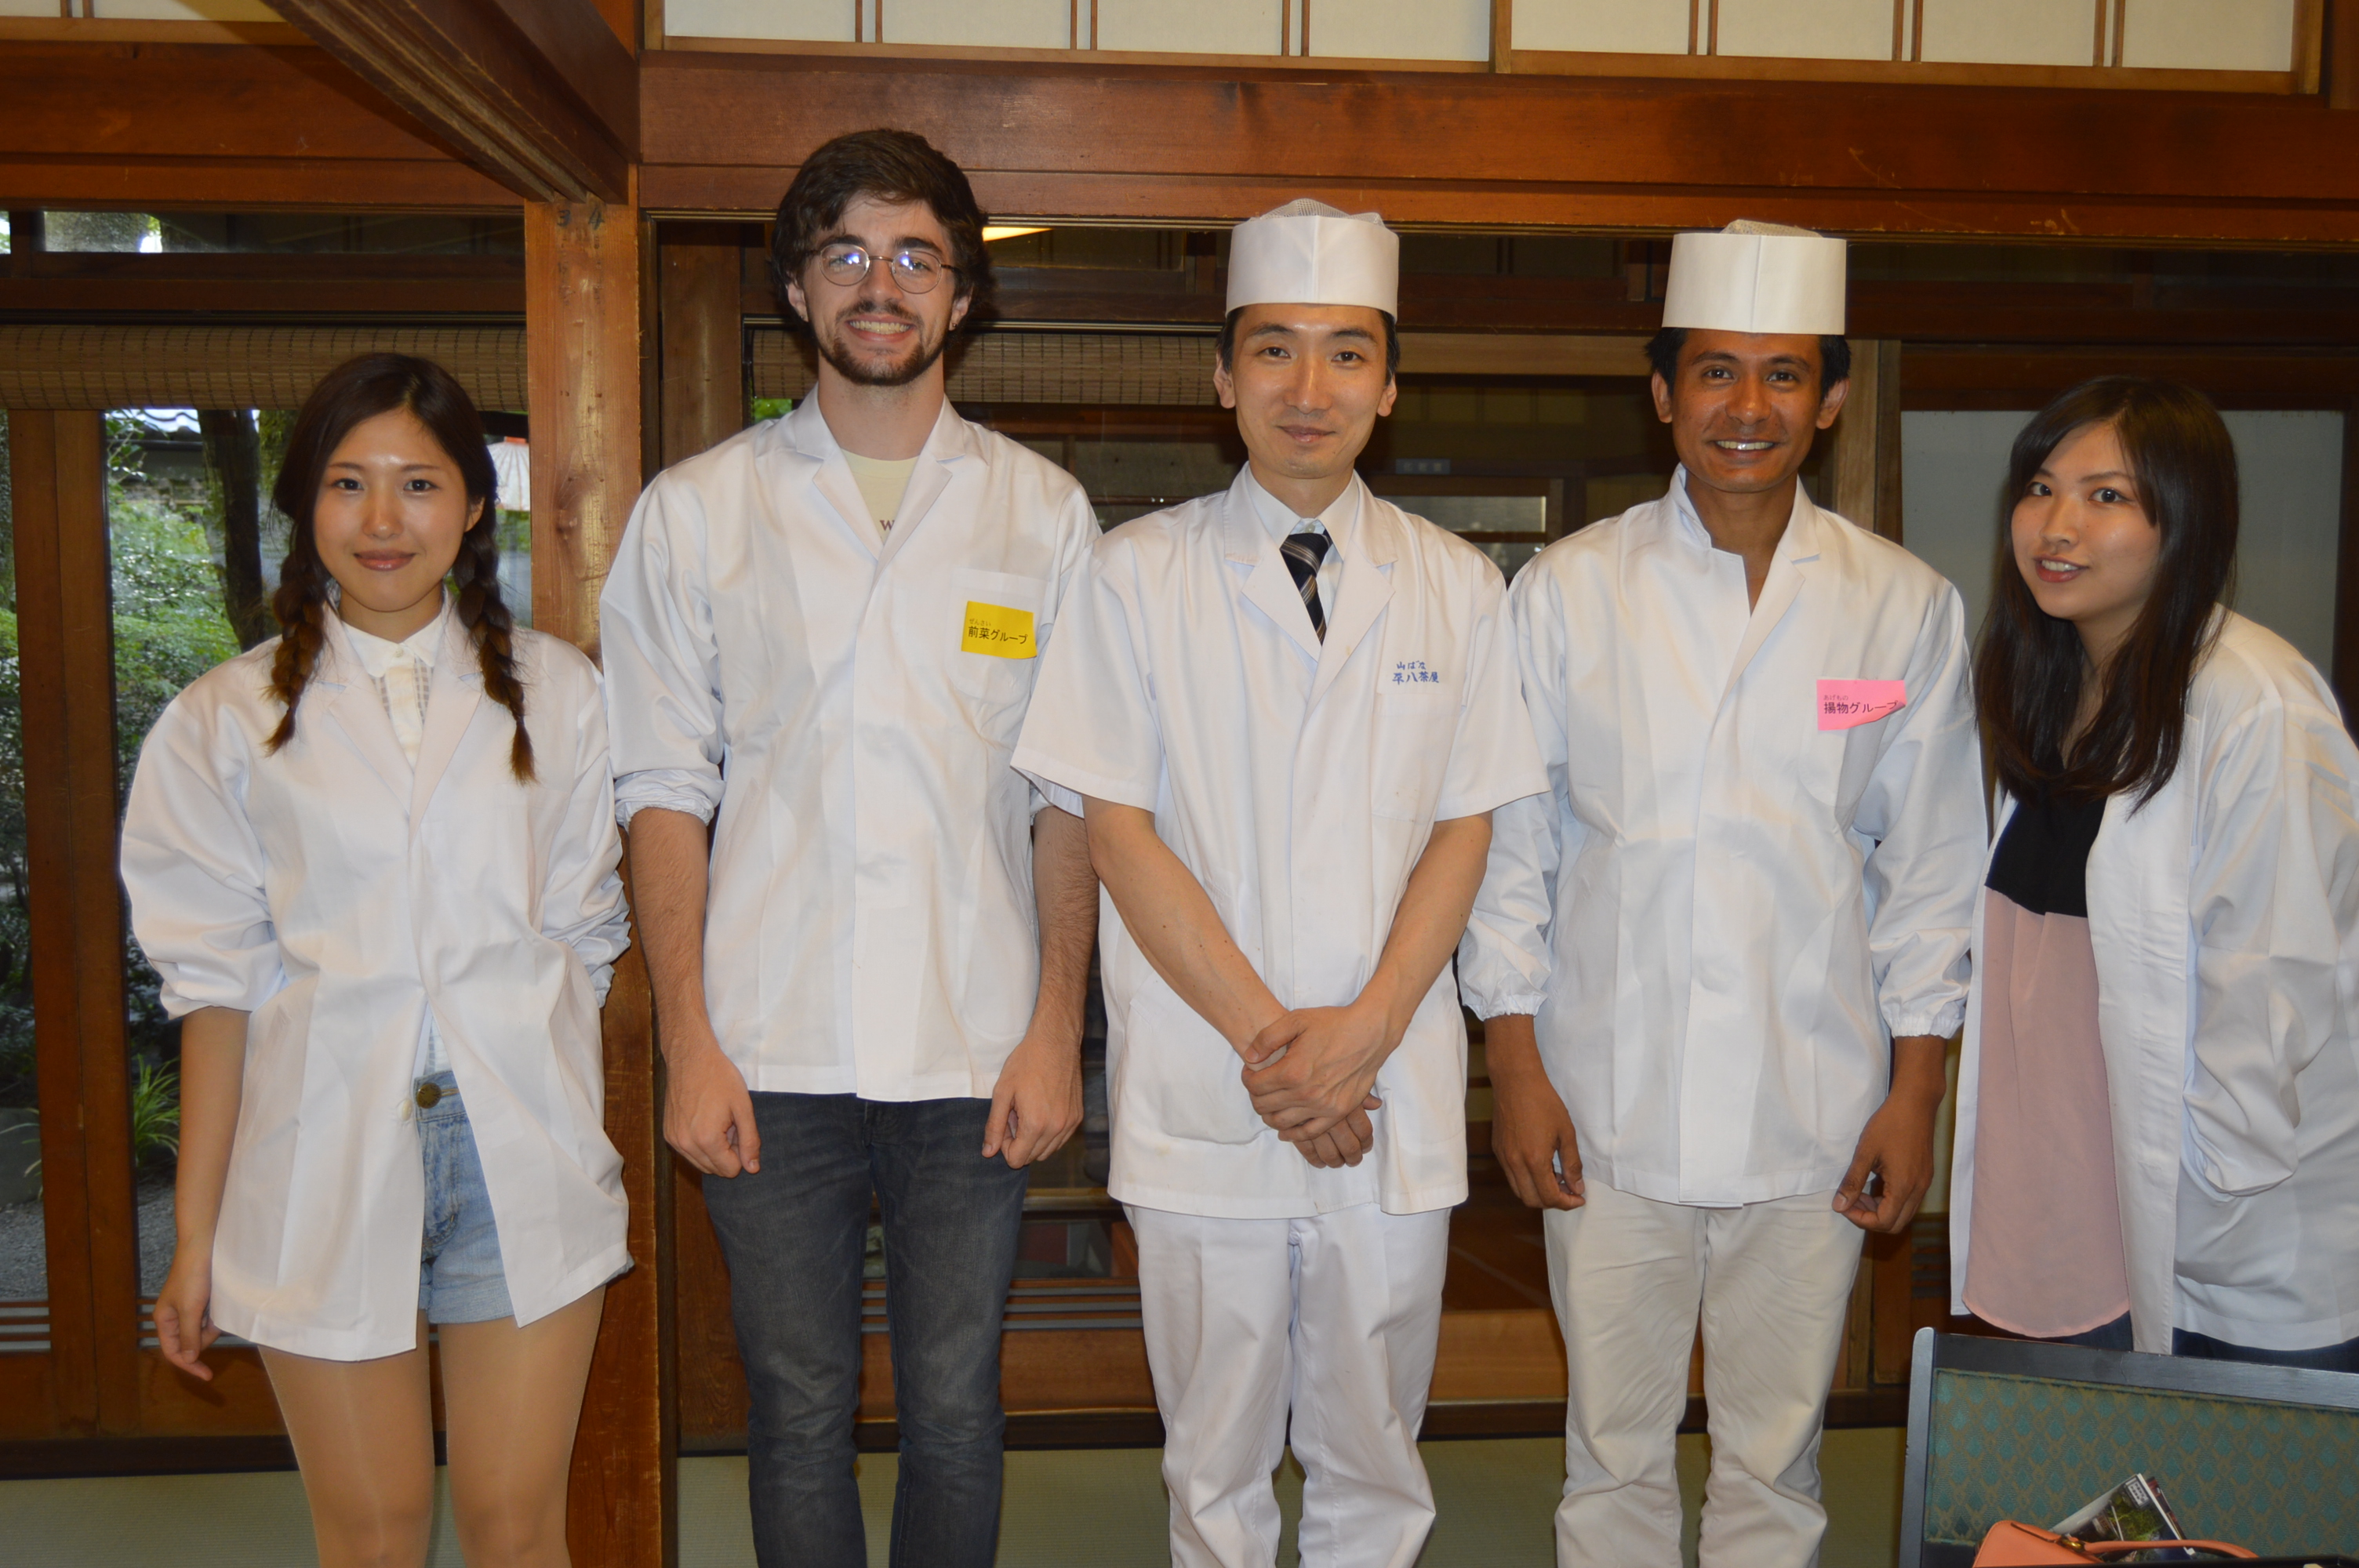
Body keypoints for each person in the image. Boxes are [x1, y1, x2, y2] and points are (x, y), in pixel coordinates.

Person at [1012, 198, 1547, 1568]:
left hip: (1386, 1088)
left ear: (1389, 384)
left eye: (1346, 352)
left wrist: (1360, 1038)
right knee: (1214, 1468)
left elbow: (1465, 830)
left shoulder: (1456, 587)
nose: (1309, 387)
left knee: (1378, 1461)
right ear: (1222, 376)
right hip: (1211, 1086)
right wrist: (1279, 1052)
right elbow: (1117, 833)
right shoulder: (1131, 578)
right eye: (1273, 349)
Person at [598, 128, 1100, 1568]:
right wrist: (688, 1040)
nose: (882, 285)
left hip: (975, 1048)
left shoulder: (1041, 512)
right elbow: (660, 789)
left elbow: (1066, 795)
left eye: (916, 257)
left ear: (961, 297)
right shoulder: (698, 512)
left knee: (955, 1407)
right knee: (798, 1407)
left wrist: (1055, 1028)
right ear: (798, 288)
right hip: (768, 1047)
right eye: (848, 255)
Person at [1458, 221, 1986, 1568]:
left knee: (1775, 1460)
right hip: (1605, 1097)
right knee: (1610, 1454)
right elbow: (1513, 849)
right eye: (1713, 371)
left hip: (1813, 1103)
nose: (1746, 407)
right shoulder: (1568, 592)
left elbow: (1930, 869)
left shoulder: (1899, 608)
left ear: (1830, 398)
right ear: (1661, 392)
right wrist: (1513, 1062)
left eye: (1782, 373)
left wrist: (1916, 1092)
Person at [124, 353, 632, 1568]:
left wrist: (541, 1095)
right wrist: (194, 1237)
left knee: (519, 1531)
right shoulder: (223, 720)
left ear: (473, 506)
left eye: (420, 483)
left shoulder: (561, 697)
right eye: (349, 483)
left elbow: (582, 941)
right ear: (307, 505)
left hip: (516, 1156)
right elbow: (216, 994)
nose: (384, 520)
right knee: (372, 1535)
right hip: (318, 1154)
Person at [1951, 376, 2359, 1370]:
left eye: (2106, 496)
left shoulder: (2251, 701)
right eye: (2040, 488)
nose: (2056, 526)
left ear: (2184, 521)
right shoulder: (2051, 687)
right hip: (2083, 1198)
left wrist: (2209, 1191)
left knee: (2241, 1472)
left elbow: (2270, 974)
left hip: (2231, 1225)